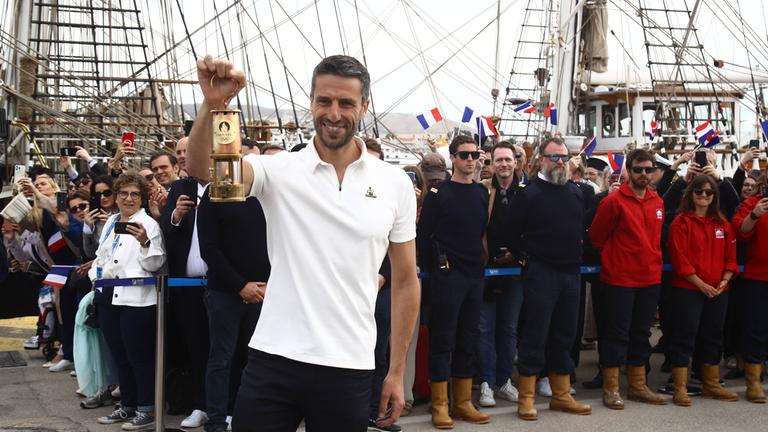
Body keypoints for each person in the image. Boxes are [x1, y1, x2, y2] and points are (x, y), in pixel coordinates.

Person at [185, 54, 419, 432]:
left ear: (364, 106)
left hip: (349, 364)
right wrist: (214, 105)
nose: (334, 113)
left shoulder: (394, 184)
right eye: (324, 101)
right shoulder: (279, 170)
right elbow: (203, 171)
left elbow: (406, 281)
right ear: (311, 101)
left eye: (346, 103)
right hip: (273, 358)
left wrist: (395, 371)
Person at [507, 137, 591, 420]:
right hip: (541, 273)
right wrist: (528, 258)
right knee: (535, 334)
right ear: (541, 159)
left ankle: (561, 395)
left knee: (565, 335)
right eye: (555, 157)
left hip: (571, 273)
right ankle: (527, 398)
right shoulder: (528, 193)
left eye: (564, 157)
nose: (560, 162)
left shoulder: (575, 192)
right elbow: (511, 232)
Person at [417, 135, 490, 429]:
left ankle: (462, 402)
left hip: (475, 275)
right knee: (442, 340)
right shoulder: (438, 193)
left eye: (474, 155)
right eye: (463, 155)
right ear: (453, 158)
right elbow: (424, 235)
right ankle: (440, 404)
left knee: (468, 339)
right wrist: (435, 269)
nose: (470, 160)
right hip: (447, 276)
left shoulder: (482, 192)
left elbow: (481, 231)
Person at [589, 149, 668, 409]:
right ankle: (611, 387)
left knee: (641, 333)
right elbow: (597, 237)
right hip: (620, 279)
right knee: (616, 333)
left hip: (650, 278)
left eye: (648, 169)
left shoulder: (657, 201)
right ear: (629, 171)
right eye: (638, 169)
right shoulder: (613, 202)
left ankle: (637, 386)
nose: (644, 174)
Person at [90, 172, 166, 430]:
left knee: (139, 356)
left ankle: (146, 408)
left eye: (135, 194)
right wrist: (95, 277)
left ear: (142, 198)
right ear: (116, 196)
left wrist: (144, 242)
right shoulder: (111, 221)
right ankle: (127, 405)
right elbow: (100, 255)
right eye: (123, 193)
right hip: (108, 295)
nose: (129, 199)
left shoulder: (149, 224)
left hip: (138, 300)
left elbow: (155, 263)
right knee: (119, 355)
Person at [197, 185, 270, 432]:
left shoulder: (269, 191)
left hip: (265, 291)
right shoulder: (214, 192)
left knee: (258, 362)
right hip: (224, 293)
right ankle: (216, 421)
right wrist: (240, 286)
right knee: (221, 360)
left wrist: (269, 284)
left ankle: (250, 419)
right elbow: (209, 248)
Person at [667, 175, 740, 406]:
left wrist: (724, 280)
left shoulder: (722, 223)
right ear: (691, 193)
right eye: (699, 191)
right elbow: (680, 259)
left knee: (713, 336)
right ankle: (680, 386)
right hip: (688, 289)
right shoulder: (681, 222)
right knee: (685, 335)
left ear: (714, 196)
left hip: (718, 290)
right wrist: (701, 284)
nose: (704, 196)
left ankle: (711, 384)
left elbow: (731, 256)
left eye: (709, 192)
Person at [160, 176, 211, 428]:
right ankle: (200, 404)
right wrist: (176, 215)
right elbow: (167, 229)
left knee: (225, 350)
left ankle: (229, 407)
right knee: (196, 348)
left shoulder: (231, 178)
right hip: (187, 287)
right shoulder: (181, 187)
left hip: (223, 284)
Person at [477, 141, 522, 408]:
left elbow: (532, 228)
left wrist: (517, 254)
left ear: (515, 162)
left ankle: (504, 380)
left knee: (509, 328)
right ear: (492, 164)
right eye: (499, 160)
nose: (504, 164)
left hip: (515, 272)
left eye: (508, 159)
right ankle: (486, 382)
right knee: (485, 329)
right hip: (486, 271)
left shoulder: (525, 192)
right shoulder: (482, 191)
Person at [731, 174, 768, 403]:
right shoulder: (753, 204)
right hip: (759, 276)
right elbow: (740, 233)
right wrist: (755, 215)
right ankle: (753, 382)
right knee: (757, 328)